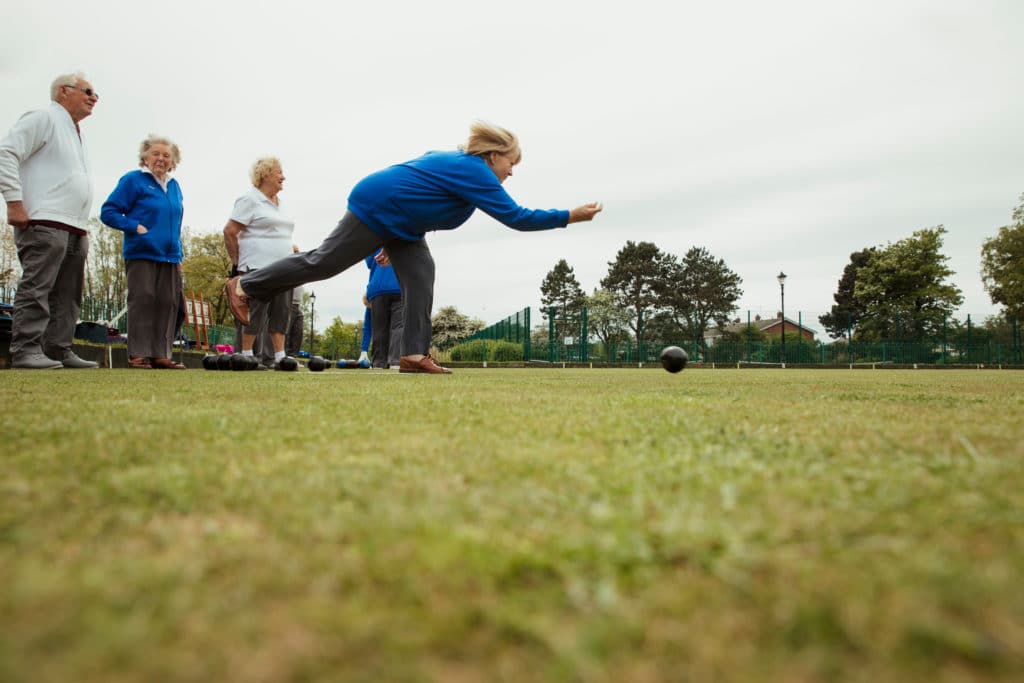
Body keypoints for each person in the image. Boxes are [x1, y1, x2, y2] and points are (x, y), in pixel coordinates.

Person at [224, 122, 602, 374]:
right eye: (511, 162)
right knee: (322, 263)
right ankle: (246, 286)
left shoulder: (463, 167)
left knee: (421, 274)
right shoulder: (475, 170)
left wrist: (394, 236)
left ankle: (412, 355)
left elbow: (426, 193)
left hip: (401, 224)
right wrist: (570, 215)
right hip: (378, 206)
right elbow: (517, 217)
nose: (511, 171)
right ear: (492, 156)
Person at [0, 72, 100, 369]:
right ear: (63, 92)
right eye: (88, 90)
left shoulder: (75, 132)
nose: (94, 97)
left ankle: (57, 348)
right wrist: (14, 202)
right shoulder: (43, 118)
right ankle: (26, 349)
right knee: (38, 286)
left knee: (68, 295)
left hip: (75, 226)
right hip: (44, 220)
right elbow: (6, 153)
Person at [100, 135, 186, 369]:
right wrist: (133, 226)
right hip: (142, 252)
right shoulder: (134, 180)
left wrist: (179, 255)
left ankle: (160, 353)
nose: (161, 159)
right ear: (145, 158)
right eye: (155, 154)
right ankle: (139, 353)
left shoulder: (175, 186)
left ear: (173, 161)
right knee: (144, 299)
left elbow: (176, 222)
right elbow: (108, 211)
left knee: (168, 302)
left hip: (170, 255)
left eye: (166, 155)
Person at [223, 157, 295, 369]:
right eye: (279, 172)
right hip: (256, 266)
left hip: (283, 266)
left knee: (281, 311)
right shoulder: (250, 199)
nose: (283, 176)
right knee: (255, 311)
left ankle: (280, 357)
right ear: (264, 175)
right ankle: (246, 355)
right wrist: (237, 262)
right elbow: (230, 231)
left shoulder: (281, 204)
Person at [365, 248, 403, 368]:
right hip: (400, 285)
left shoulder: (374, 242)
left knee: (379, 328)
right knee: (398, 326)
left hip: (378, 287)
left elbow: (369, 262)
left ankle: (378, 363)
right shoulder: (403, 237)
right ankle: (395, 362)